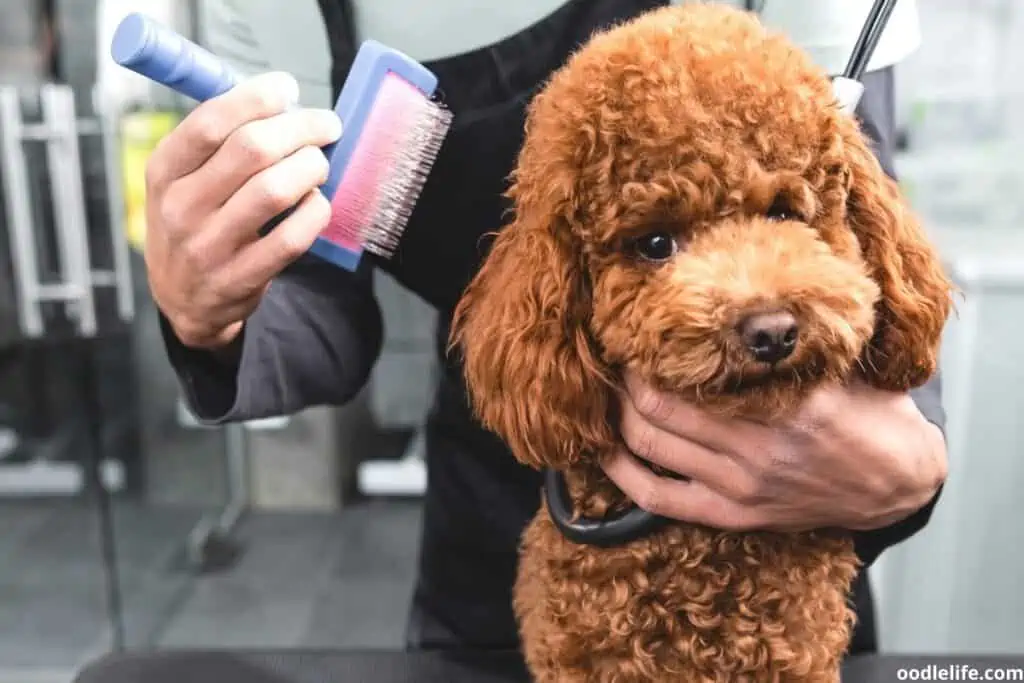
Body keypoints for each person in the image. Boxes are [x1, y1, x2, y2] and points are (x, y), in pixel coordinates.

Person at [146, 0, 947, 659]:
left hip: (805, 503)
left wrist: (910, 462)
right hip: (517, 507)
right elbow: (319, 290)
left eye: (773, 213)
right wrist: (210, 312)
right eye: (656, 241)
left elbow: (858, 220)